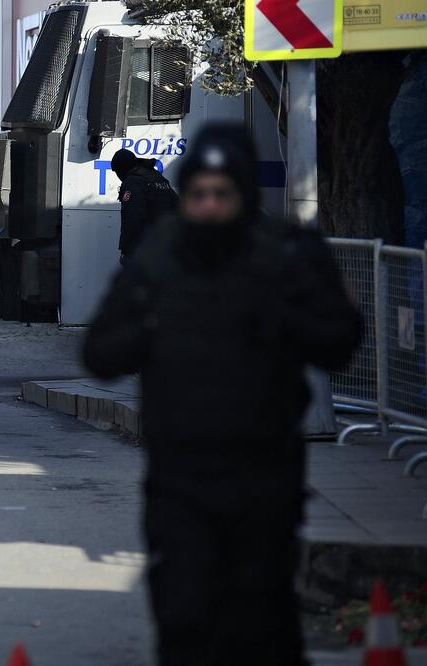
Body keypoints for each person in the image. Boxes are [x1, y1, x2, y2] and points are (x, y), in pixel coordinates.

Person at [84, 123, 360, 666]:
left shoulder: (285, 254)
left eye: (222, 193)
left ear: (243, 195)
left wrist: (283, 315)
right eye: (199, 194)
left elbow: (340, 341)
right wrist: (153, 325)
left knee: (263, 616)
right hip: (179, 475)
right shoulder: (159, 259)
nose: (210, 205)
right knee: (183, 614)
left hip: (264, 470)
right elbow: (100, 353)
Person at [111, 148, 179, 262]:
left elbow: (132, 219)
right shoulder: (156, 176)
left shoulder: (133, 182)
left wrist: (126, 250)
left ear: (121, 169)